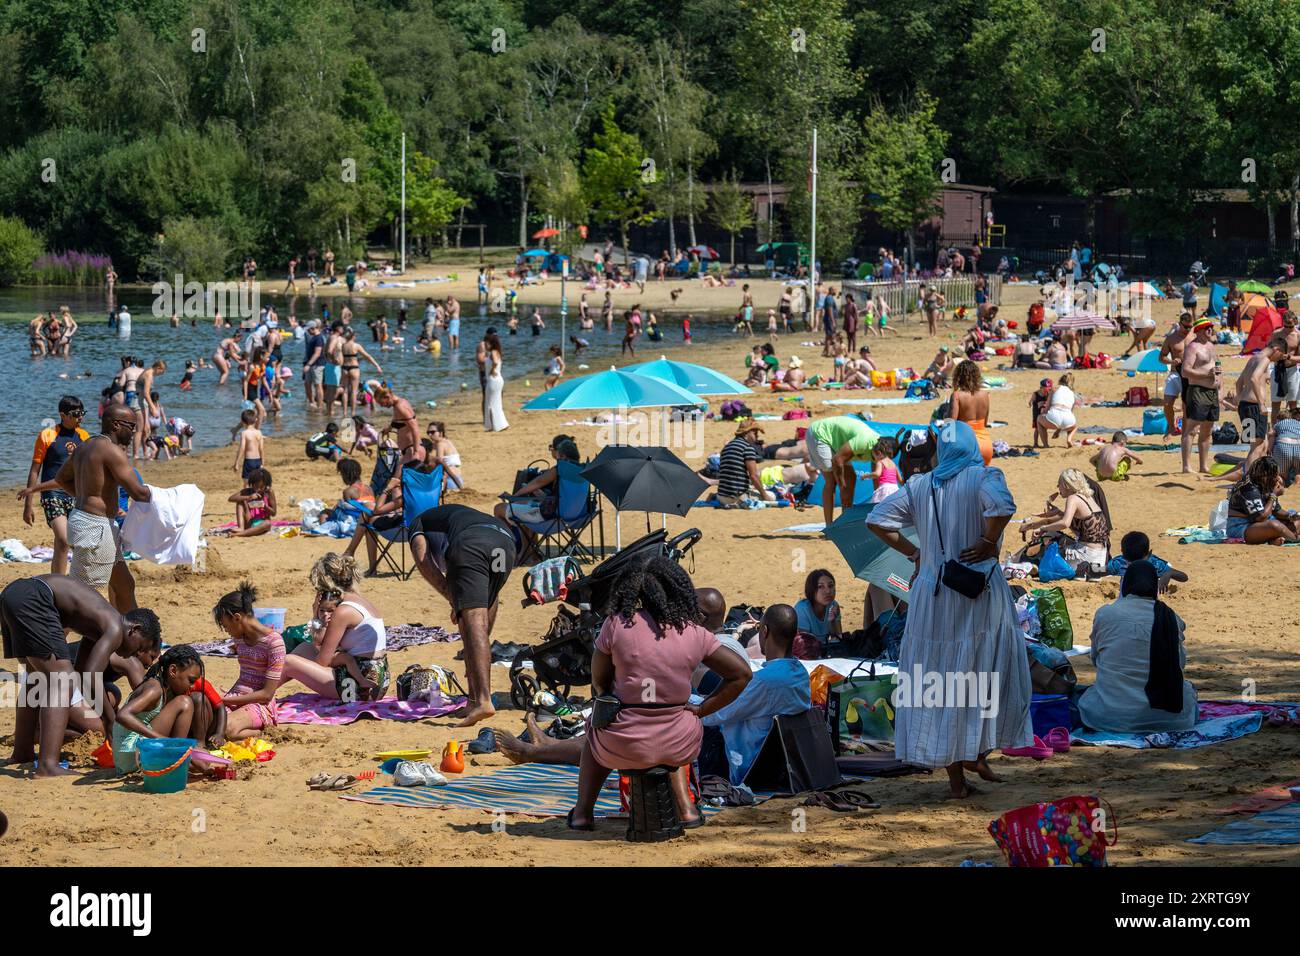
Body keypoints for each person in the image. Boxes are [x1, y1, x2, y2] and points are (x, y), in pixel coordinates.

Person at [867, 420, 1033, 799]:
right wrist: (989, 541)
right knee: (988, 669)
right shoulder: (984, 476)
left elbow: (876, 520)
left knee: (937, 681)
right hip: (977, 590)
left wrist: (914, 552)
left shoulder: (920, 484)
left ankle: (957, 781)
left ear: (941, 451)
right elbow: (1004, 506)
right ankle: (978, 750)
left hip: (932, 593)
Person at [566, 557, 751, 831]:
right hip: (677, 741)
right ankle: (687, 810)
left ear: (632, 590)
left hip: (623, 742)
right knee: (675, 722)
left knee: (594, 730)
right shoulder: (693, 631)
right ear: (680, 590)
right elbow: (741, 674)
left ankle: (582, 814)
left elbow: (599, 683)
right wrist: (703, 709)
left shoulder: (616, 624)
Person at [1, 575, 161, 776]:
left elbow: (85, 673)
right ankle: (47, 765)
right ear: (134, 630)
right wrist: (110, 720)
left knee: (38, 677)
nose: (135, 655)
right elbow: (91, 675)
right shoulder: (114, 626)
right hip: (35, 597)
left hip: (14, 594)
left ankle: (22, 752)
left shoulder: (99, 624)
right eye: (140, 648)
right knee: (61, 679)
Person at [18, 403, 151, 612]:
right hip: (96, 528)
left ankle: (134, 638)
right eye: (131, 425)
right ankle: (53, 639)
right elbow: (139, 493)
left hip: (90, 522)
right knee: (82, 600)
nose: (134, 430)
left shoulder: (86, 445)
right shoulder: (112, 451)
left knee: (124, 585)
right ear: (116, 424)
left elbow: (62, 478)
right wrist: (172, 497)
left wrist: (86, 497)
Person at [410, 504, 520, 726]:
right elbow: (489, 599)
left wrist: (451, 596)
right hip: (506, 543)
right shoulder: (457, 517)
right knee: (475, 625)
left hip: (472, 544)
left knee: (473, 624)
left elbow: (423, 560)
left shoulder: (416, 524)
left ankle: (482, 700)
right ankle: (473, 699)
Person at [1076, 561, 1197, 733]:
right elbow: (1180, 664)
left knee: (1081, 695)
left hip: (1110, 717)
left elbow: (1096, 659)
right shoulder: (1172, 618)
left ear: (1124, 586)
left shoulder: (1106, 614)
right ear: (1155, 587)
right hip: (1172, 720)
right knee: (1189, 689)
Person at [698, 604, 810, 783]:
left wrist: (687, 702)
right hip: (780, 765)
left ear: (764, 631)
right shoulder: (801, 673)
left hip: (747, 768)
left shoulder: (764, 682)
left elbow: (712, 715)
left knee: (699, 718)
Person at [282, 554, 390, 702]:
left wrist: (315, 617)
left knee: (289, 662)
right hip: (377, 680)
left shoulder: (343, 611)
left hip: (359, 688)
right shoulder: (359, 601)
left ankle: (261, 693)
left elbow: (322, 662)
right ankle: (260, 691)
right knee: (304, 648)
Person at [113, 645, 224, 774]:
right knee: (184, 702)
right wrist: (164, 740)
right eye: (191, 680)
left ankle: (178, 755)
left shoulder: (166, 688)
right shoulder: (155, 688)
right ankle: (177, 756)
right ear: (173, 671)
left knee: (202, 756)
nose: (192, 686)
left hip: (132, 754)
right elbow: (123, 715)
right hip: (131, 754)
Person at [24, 396, 89, 575]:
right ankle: (58, 585)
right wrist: (28, 506)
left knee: (78, 541)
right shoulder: (47, 435)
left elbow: (88, 470)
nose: (80, 417)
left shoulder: (83, 436)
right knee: (63, 538)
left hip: (75, 494)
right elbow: (34, 471)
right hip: (51, 494)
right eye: (76, 414)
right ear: (63, 415)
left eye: (82, 413)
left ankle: (74, 581)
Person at [212, 583, 285, 740]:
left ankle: (264, 734)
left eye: (226, 626)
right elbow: (245, 676)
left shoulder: (274, 643)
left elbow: (267, 694)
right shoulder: (239, 639)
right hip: (238, 697)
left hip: (260, 705)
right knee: (208, 724)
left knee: (226, 729)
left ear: (237, 618)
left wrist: (226, 699)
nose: (227, 631)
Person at [1021, 468, 1112, 574]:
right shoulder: (1087, 497)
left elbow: (1065, 523)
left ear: (1066, 485)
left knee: (1048, 547)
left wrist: (1042, 528)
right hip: (1099, 559)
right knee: (1057, 537)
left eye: (1059, 484)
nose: (1057, 487)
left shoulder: (1073, 498)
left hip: (1085, 558)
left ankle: (1026, 566)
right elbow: (1081, 523)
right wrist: (1058, 512)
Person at [807, 414, 880, 525]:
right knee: (831, 481)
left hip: (836, 440)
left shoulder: (881, 450)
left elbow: (876, 479)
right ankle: (829, 526)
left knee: (851, 477)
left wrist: (878, 500)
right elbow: (837, 460)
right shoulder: (865, 441)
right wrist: (843, 488)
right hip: (819, 434)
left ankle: (845, 522)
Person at [495, 436, 579, 526]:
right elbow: (563, 496)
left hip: (552, 516)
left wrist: (513, 497)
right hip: (576, 515)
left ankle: (509, 539)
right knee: (523, 505)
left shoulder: (558, 470)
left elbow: (537, 482)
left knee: (499, 508)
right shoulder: (581, 469)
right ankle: (527, 540)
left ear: (562, 455)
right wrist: (540, 494)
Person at [1180, 317, 1221, 474]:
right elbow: (1185, 371)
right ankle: (1186, 466)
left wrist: (1220, 386)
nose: (1210, 330)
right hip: (1198, 390)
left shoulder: (1211, 346)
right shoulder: (1193, 347)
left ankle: (1203, 465)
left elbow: (1217, 366)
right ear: (1199, 330)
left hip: (1212, 391)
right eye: (1207, 328)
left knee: (1207, 430)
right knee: (1192, 429)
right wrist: (1205, 374)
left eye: (1211, 328)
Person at [1225, 455, 1298, 544]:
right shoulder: (1249, 489)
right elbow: (1260, 517)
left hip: (1261, 524)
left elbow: (1276, 510)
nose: (1278, 478)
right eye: (1275, 475)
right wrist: (1274, 495)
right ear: (1265, 476)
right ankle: (1294, 538)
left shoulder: (1265, 483)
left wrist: (1291, 516)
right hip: (1241, 527)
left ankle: (1277, 539)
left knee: (1295, 519)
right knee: (1274, 525)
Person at [1223, 348, 1274, 469]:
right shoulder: (1265, 360)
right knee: (1257, 446)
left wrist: (1240, 399)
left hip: (1245, 407)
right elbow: (1254, 379)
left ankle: (1257, 473)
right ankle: (1249, 477)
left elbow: (1238, 383)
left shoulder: (1252, 359)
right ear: (1276, 350)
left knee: (1262, 444)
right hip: (1255, 407)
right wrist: (1261, 403)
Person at [1106, 531, 1187, 594]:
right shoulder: (1155, 564)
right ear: (1149, 554)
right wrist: (1169, 573)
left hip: (1126, 605)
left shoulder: (1119, 563)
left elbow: (1097, 570)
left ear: (1122, 553)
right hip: (1149, 607)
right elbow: (1184, 577)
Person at [713, 423, 771, 505]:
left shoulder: (727, 447)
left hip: (721, 496)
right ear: (746, 433)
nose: (757, 436)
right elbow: (754, 476)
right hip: (736, 498)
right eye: (755, 433)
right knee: (772, 495)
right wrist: (765, 496)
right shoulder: (747, 448)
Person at [1158, 311, 1196, 438]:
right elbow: (1161, 357)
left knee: (1187, 407)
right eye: (1185, 327)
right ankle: (1171, 427)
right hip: (1175, 373)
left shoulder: (1194, 337)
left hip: (1190, 375)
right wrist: (1171, 361)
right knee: (1167, 404)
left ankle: (1186, 434)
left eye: (1190, 326)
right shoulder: (1171, 339)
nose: (1188, 329)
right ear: (1180, 324)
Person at [949, 360, 993, 465]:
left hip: (967, 445)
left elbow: (951, 425)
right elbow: (985, 423)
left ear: (958, 377)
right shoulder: (985, 395)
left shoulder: (957, 395)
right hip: (985, 446)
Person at [794, 569, 841, 646]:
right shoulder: (802, 609)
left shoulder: (833, 605)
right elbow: (803, 646)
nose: (828, 591)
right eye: (820, 587)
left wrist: (832, 622)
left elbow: (837, 639)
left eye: (831, 585)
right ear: (811, 590)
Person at [1036, 372, 1079, 447]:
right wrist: (1058, 430)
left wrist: (1043, 412)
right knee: (1075, 426)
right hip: (1068, 419)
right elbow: (1070, 412)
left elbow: (1047, 407)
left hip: (1054, 416)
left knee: (1039, 419)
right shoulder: (1072, 393)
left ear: (1060, 380)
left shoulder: (1054, 389)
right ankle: (1069, 439)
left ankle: (1046, 445)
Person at [427, 421, 464, 490]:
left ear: (440, 433)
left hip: (449, 481)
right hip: (458, 479)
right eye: (428, 432)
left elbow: (438, 466)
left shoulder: (440, 444)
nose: (430, 435)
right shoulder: (447, 441)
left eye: (432, 432)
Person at [483, 332, 508, 432]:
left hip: (494, 380)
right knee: (496, 402)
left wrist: (492, 370)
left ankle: (494, 426)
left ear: (491, 343)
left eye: (486, 343)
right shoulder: (497, 351)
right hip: (497, 379)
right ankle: (500, 424)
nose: (485, 345)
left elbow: (495, 362)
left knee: (490, 403)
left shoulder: (493, 352)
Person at [233, 409, 264, 481]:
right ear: (256, 420)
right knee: (257, 481)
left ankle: (249, 492)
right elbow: (261, 449)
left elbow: (242, 449)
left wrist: (237, 463)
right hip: (258, 461)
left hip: (249, 461)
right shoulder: (259, 432)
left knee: (246, 483)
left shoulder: (244, 433)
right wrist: (262, 462)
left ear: (243, 421)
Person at [868, 436, 901, 502]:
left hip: (884, 490)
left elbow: (877, 474)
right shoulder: (893, 464)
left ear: (879, 453)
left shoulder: (880, 462)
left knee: (879, 508)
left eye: (874, 457)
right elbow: (901, 480)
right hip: (895, 490)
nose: (874, 460)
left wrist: (866, 476)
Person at [1029, 378, 1053, 448]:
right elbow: (1031, 401)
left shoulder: (1048, 394)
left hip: (1044, 412)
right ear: (1041, 387)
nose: (1047, 390)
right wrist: (1031, 403)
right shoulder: (1036, 394)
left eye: (1048, 389)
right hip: (1036, 412)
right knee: (1037, 429)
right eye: (1045, 389)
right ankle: (1035, 443)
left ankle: (1045, 443)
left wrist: (1045, 403)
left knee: (1044, 428)